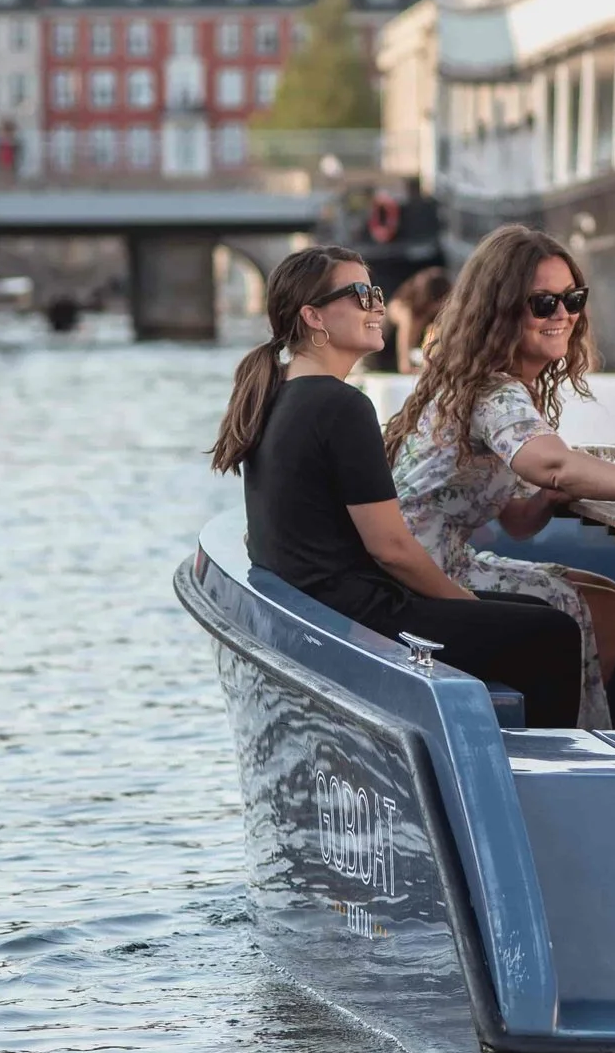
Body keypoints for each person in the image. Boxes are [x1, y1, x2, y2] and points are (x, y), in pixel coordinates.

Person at [212, 244, 583, 725]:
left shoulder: (281, 395)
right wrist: (461, 600)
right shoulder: (342, 407)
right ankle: (545, 776)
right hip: (364, 617)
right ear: (314, 317)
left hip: (324, 613)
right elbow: (391, 548)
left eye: (377, 293)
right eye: (361, 295)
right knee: (553, 632)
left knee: (528, 611)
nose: (378, 306)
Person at [386, 226, 615, 728]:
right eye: (543, 304)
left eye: (572, 299)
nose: (564, 315)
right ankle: (574, 748)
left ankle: (582, 737)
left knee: (607, 599)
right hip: (422, 580)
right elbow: (551, 462)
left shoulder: (480, 383)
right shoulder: (495, 393)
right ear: (501, 310)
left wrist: (552, 495)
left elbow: (521, 521)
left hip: (438, 565)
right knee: (593, 608)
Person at [386, 266, 452, 371]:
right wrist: (407, 366)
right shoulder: (404, 311)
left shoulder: (430, 314)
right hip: (384, 358)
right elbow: (404, 363)